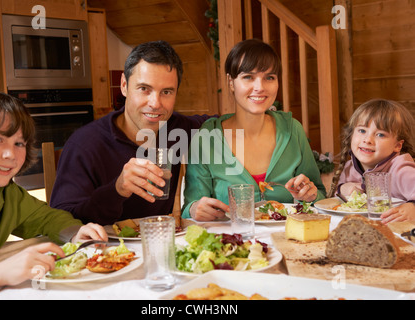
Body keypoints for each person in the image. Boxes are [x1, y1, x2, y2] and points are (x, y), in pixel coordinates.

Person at [50, 41, 212, 225]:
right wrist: (117, 190)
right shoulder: (85, 144)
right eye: (144, 89)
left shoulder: (177, 128)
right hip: (104, 251)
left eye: (166, 92)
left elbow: (227, 124)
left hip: (159, 245)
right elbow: (62, 222)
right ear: (124, 85)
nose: (155, 103)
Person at [0, 92, 108, 300]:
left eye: (19, 143)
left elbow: (46, 217)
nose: (10, 154)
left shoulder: (5, 194)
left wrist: (77, 233)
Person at [182, 39, 326, 221]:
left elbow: (319, 196)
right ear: (231, 82)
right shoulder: (207, 137)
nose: (260, 87)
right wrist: (195, 209)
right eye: (248, 77)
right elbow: (189, 209)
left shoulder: (292, 130)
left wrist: (311, 196)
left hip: (290, 242)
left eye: (269, 77)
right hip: (232, 245)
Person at [328, 99, 415, 223]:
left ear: (397, 145)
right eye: (362, 131)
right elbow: (334, 203)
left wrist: (413, 208)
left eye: (380, 135)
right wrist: (343, 189)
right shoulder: (349, 168)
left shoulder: (401, 170)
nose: (368, 140)